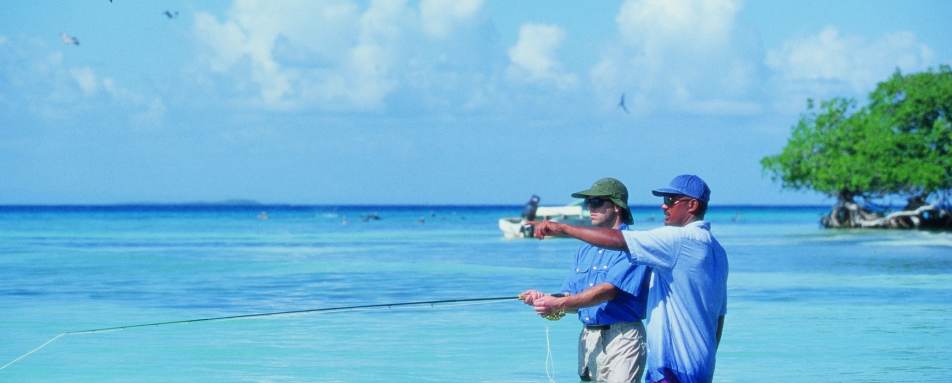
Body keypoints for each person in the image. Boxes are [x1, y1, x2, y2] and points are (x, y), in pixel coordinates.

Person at [532, 175, 728, 383]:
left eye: (670, 200)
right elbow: (719, 316)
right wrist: (549, 301)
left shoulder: (677, 240)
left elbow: (619, 241)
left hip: (672, 367)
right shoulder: (717, 251)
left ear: (692, 205)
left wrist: (563, 228)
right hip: (700, 365)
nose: (663, 206)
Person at [519, 178, 651, 383]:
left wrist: (559, 303)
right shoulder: (584, 249)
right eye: (588, 202)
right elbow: (573, 298)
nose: (590, 208)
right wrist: (544, 300)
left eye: (596, 202)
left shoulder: (634, 246)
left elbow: (607, 291)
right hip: (588, 339)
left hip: (622, 339)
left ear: (617, 207)